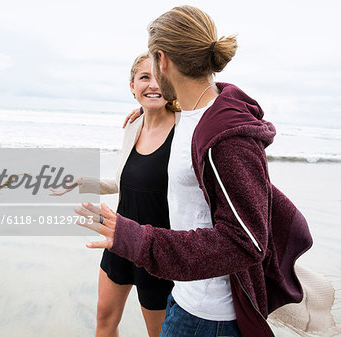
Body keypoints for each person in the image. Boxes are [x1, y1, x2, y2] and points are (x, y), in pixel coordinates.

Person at [75, 5, 313, 337]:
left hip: (209, 316)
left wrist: (135, 237)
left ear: (162, 60)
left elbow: (246, 242)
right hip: (183, 294)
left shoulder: (226, 135)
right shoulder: (191, 115)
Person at [53, 52, 179, 337]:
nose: (153, 85)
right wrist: (82, 183)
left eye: (160, 77)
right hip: (118, 238)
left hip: (156, 249)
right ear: (132, 86)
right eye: (144, 77)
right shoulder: (133, 126)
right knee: (104, 319)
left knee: (158, 332)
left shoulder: (186, 129)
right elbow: (130, 181)